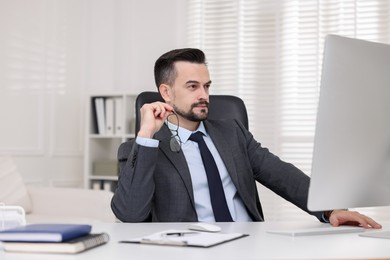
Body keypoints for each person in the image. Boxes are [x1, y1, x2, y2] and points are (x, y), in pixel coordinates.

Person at [111, 48, 381, 228]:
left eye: (206, 86)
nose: (203, 95)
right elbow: (130, 214)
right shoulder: (139, 148)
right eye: (192, 87)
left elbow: (282, 175)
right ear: (166, 92)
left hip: (251, 245)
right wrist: (146, 136)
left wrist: (330, 209)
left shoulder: (232, 132)